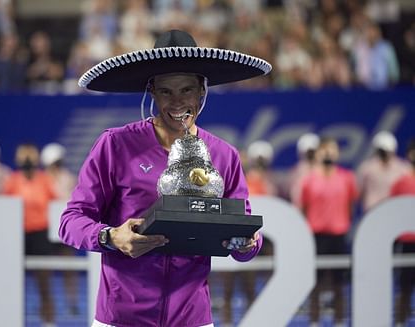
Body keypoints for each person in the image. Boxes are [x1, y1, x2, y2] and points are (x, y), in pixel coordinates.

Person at [59, 29, 270, 326]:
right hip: (121, 318)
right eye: (166, 91)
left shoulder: (225, 155)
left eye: (186, 90)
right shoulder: (115, 145)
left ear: (201, 91)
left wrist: (248, 244)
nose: (177, 102)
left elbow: (242, 239)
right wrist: (110, 237)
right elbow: (71, 221)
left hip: (193, 318)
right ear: (152, 92)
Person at [300, 137, 358, 326]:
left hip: (338, 236)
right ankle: (314, 321)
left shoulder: (347, 178)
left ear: (337, 153)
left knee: (339, 283)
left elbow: (350, 205)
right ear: (318, 153)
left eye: (332, 150)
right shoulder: (308, 180)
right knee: (314, 283)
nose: (328, 153)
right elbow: (304, 208)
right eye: (324, 150)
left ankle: (339, 321)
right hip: (316, 237)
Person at [222, 140, 276, 326]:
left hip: (248, 241)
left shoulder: (264, 183)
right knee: (227, 290)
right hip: (227, 240)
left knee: (250, 287)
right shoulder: (224, 183)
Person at [3, 143, 57, 327]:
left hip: (40, 235)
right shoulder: (11, 181)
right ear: (17, 158)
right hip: (17, 236)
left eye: (30, 155)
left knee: (44, 281)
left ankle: (48, 321)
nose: (27, 159)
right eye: (23, 155)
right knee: (13, 281)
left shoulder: (44, 180)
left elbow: (55, 205)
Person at [40, 142, 80, 315]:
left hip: (63, 230)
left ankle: (72, 302)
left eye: (58, 161)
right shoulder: (40, 180)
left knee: (68, 269)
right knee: (44, 270)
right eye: (53, 162)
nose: (56, 165)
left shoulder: (69, 178)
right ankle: (47, 303)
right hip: (45, 229)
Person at [390, 139, 415, 327]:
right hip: (407, 241)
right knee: (405, 287)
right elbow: (392, 212)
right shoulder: (401, 182)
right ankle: (400, 322)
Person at [357, 131, 410, 212]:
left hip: (395, 210)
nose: (385, 154)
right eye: (382, 151)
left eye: (387, 151)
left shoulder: (403, 169)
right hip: (371, 211)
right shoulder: (366, 168)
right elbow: (359, 192)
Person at [289, 132, 319, 205]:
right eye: (308, 153)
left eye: (312, 152)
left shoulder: (322, 171)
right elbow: (296, 197)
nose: (310, 156)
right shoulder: (296, 172)